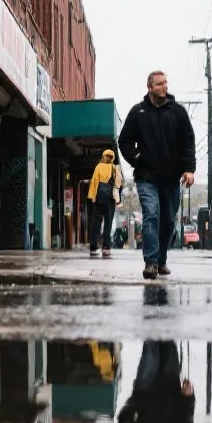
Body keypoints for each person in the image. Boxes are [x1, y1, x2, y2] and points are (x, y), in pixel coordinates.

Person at [117, 70, 197, 279]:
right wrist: (137, 158)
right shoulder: (139, 112)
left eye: (165, 83)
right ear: (150, 88)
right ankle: (150, 262)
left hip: (171, 178)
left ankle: (161, 260)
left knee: (168, 221)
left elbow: (188, 141)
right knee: (151, 215)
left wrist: (189, 169)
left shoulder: (178, 112)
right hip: (147, 177)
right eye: (160, 84)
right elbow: (124, 141)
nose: (164, 86)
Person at [86, 149, 123, 258]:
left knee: (96, 223)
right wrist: (118, 199)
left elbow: (94, 182)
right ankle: (106, 248)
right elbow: (118, 184)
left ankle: (93, 247)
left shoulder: (98, 167)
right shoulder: (114, 168)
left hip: (99, 199)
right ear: (112, 158)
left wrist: (92, 197)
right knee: (108, 223)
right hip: (110, 200)